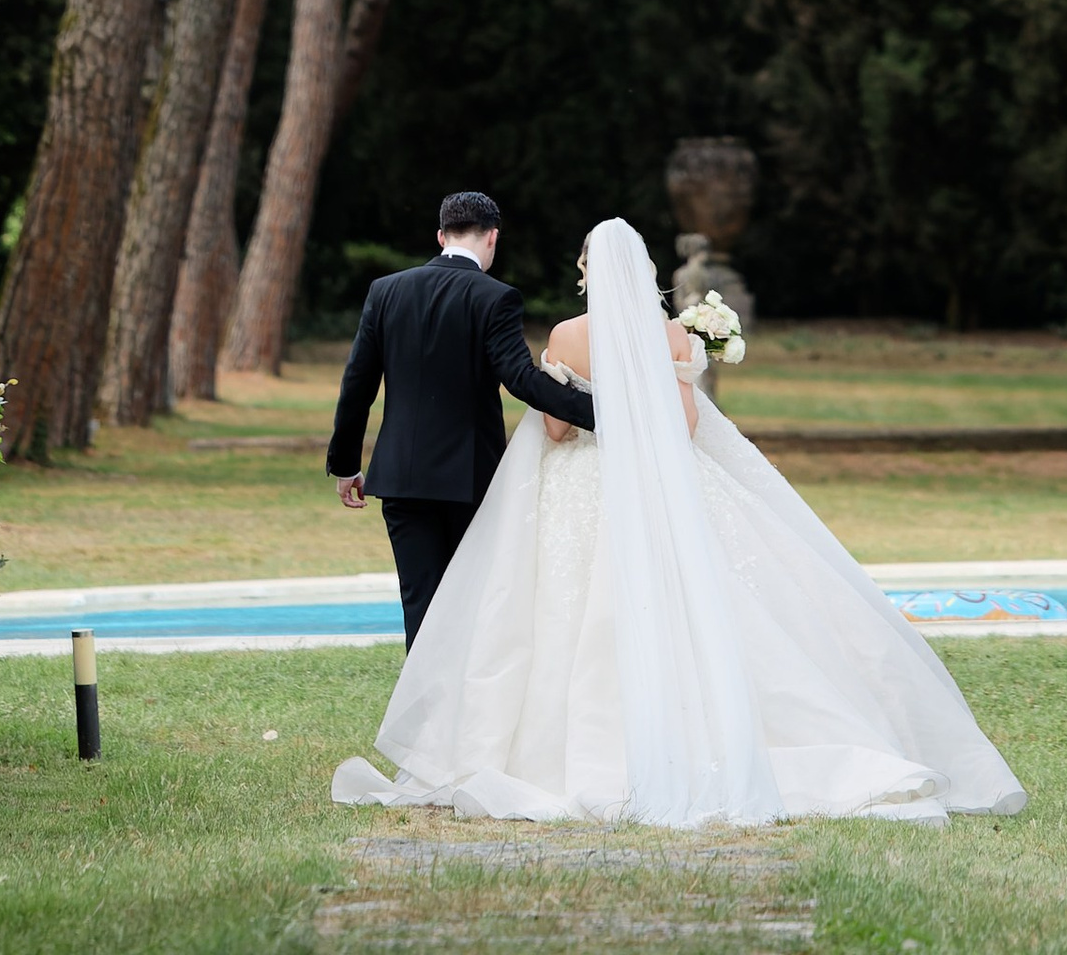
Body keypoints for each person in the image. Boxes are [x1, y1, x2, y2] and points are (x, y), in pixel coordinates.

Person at [331, 213, 1026, 826]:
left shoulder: (567, 336)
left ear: (587, 271)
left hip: (566, 483)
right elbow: (687, 426)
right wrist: (639, 417)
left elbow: (553, 429)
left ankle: (481, 737)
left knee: (550, 610)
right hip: (661, 482)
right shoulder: (671, 334)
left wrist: (592, 415)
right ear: (646, 273)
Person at [325, 189, 597, 650]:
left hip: (401, 477)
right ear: (492, 237)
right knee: (472, 599)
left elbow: (358, 385)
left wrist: (346, 463)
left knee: (421, 603)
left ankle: (423, 714)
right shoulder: (496, 296)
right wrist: (602, 413)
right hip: (468, 475)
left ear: (440, 235)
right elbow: (520, 378)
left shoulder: (385, 290)